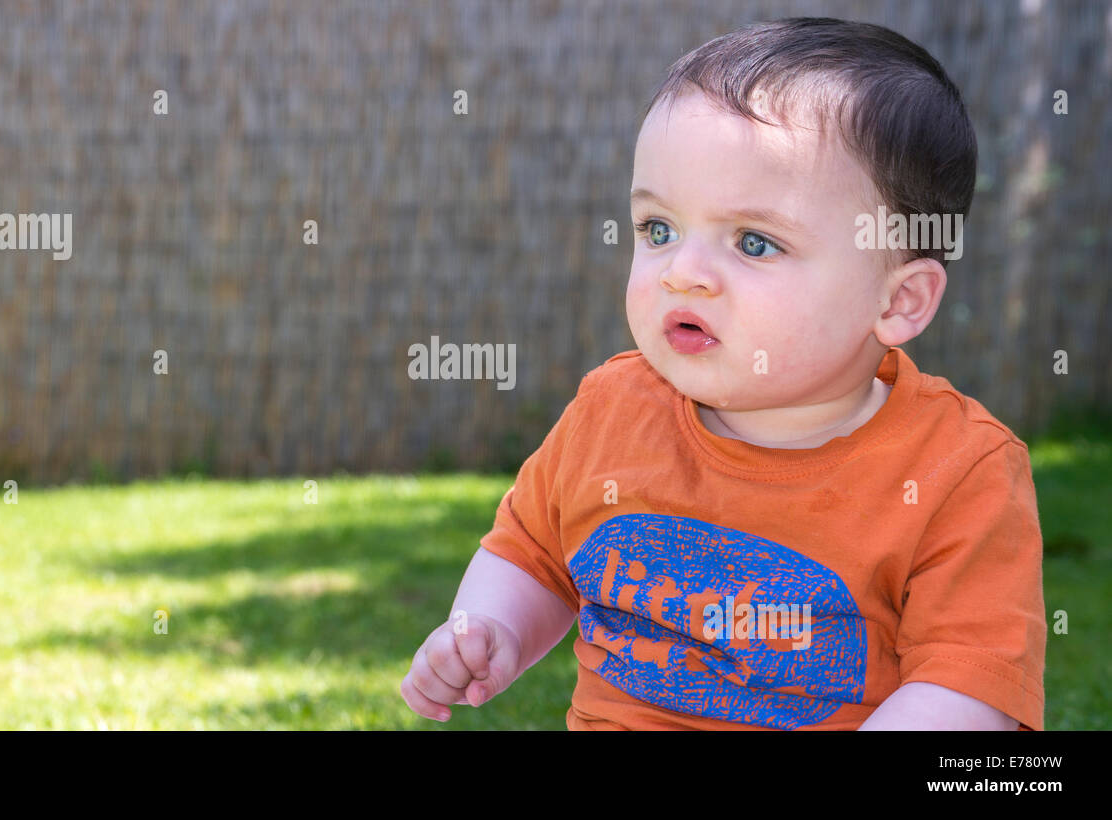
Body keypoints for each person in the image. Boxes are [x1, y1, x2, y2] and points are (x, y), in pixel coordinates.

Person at [401, 17, 1045, 730]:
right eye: (658, 230)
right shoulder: (612, 409)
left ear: (898, 301)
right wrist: (491, 627)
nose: (684, 274)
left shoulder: (959, 471)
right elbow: (532, 553)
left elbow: (969, 687)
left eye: (754, 242)